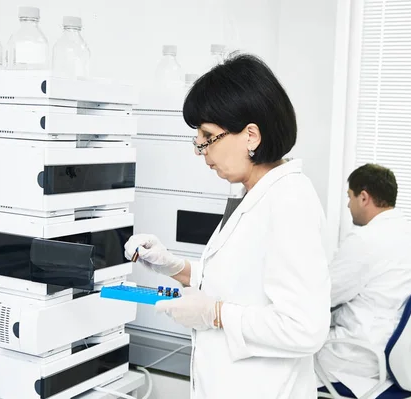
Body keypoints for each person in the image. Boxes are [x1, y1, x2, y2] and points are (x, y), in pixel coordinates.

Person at [124, 54, 331, 399]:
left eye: (208, 136)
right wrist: (177, 267)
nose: (200, 150)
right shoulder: (251, 194)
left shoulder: (290, 199)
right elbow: (243, 282)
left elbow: (305, 328)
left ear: (251, 135)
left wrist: (216, 314)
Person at [315, 164, 411, 397]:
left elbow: (324, 295)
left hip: (362, 357)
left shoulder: (364, 240)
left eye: (349, 197)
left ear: (364, 197)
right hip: (404, 354)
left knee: (287, 354)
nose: (348, 205)